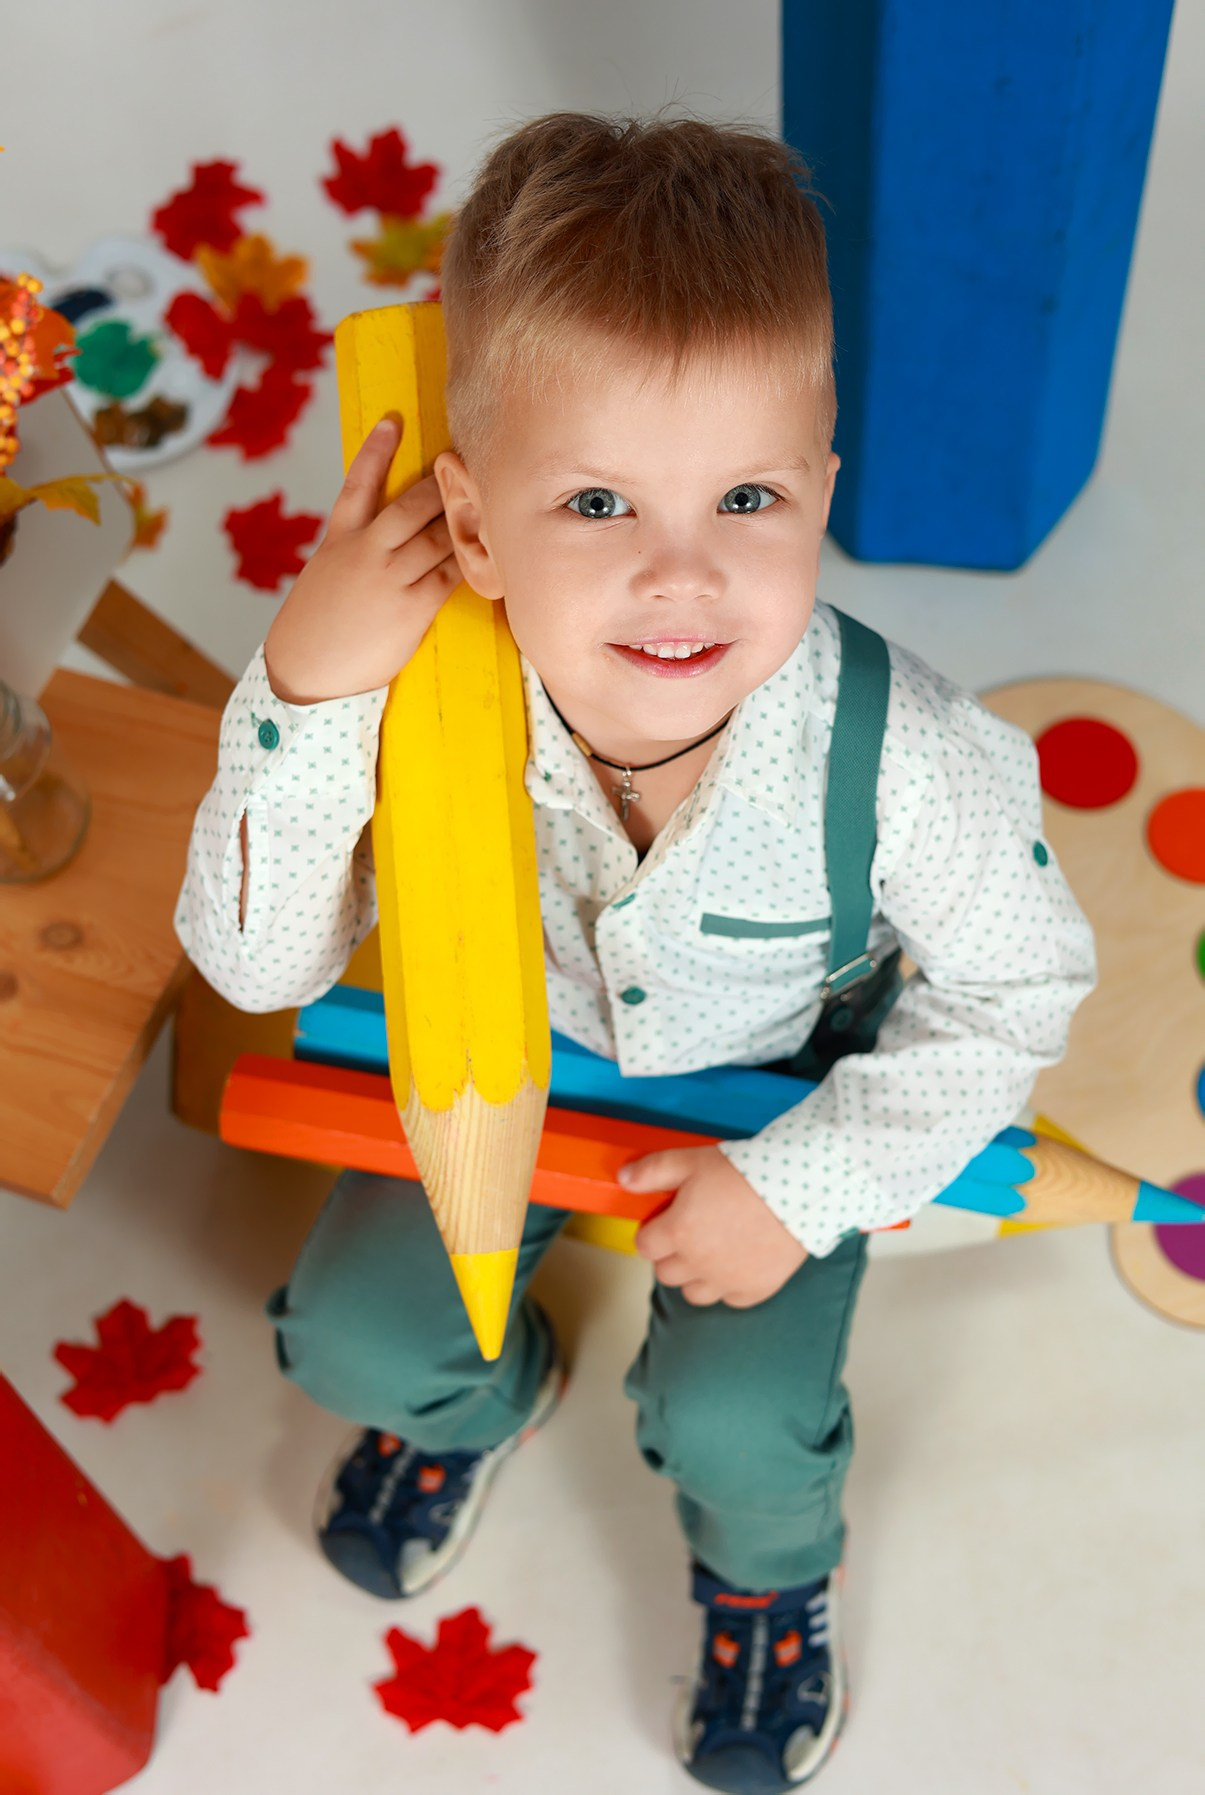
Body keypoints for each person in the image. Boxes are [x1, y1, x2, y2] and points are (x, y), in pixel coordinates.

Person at [174, 109, 1097, 1792]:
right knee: (358, 1338)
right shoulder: (401, 689)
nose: (682, 575)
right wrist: (303, 694)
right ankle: (483, 1403)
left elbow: (1018, 989)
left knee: (738, 1427)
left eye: (745, 494)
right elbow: (253, 971)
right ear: (468, 527)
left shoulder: (912, 762)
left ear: (821, 486)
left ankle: (763, 1582)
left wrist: (800, 1189)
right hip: (490, 1063)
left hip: (773, 1103)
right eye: (594, 500)